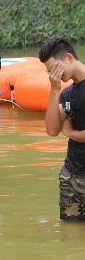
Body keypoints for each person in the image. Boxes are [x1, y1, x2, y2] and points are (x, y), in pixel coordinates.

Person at [39, 38, 85, 221]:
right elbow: (51, 130)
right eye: (49, 72)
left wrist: (70, 133)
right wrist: (54, 89)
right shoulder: (67, 93)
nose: (52, 74)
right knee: (70, 235)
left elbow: (64, 130)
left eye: (54, 69)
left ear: (68, 58)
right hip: (72, 177)